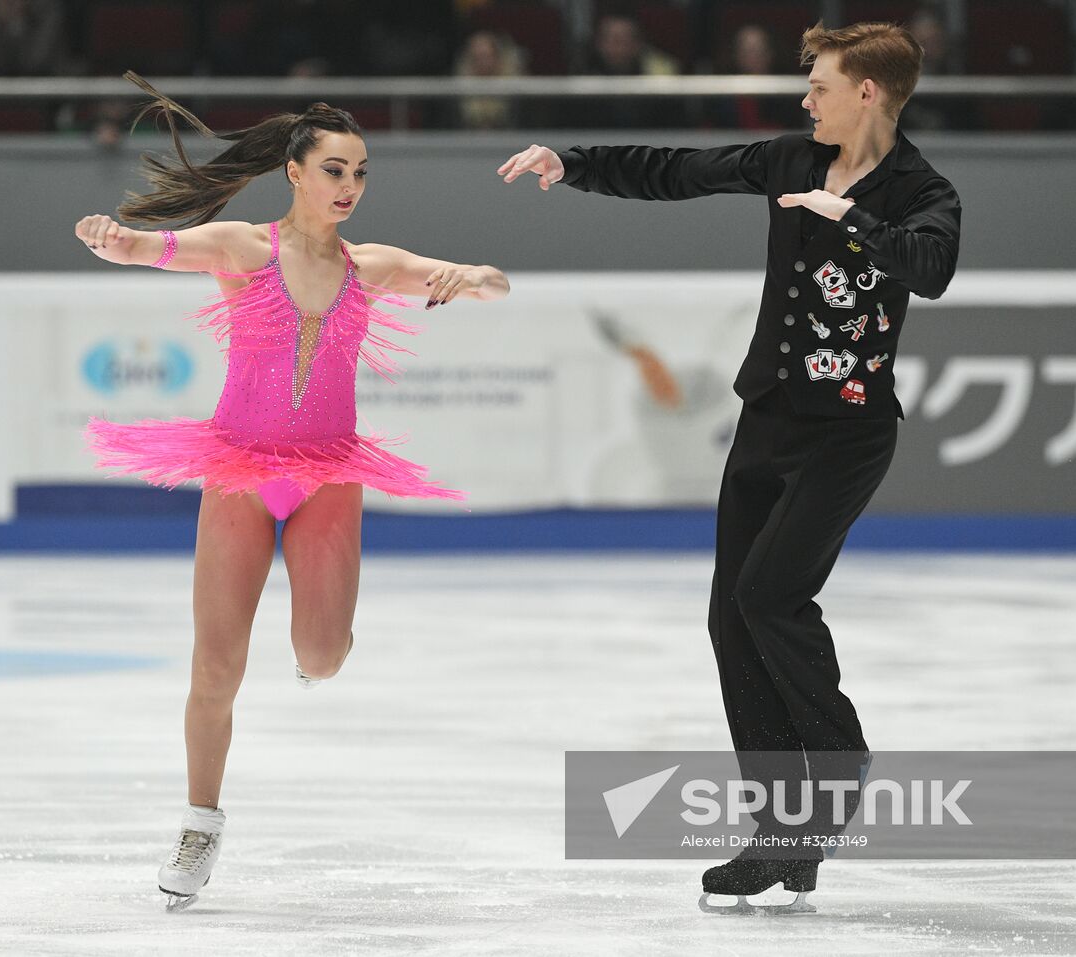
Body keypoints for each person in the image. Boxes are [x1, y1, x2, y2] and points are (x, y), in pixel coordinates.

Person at [499, 20, 960, 912]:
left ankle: (835, 760)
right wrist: (574, 161)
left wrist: (852, 219)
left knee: (770, 595)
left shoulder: (921, 191)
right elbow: (683, 170)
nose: (805, 100)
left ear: (867, 92)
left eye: (819, 86)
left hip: (848, 432)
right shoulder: (792, 159)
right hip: (767, 421)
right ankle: (780, 829)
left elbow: (932, 268)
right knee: (729, 614)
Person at [75, 73, 510, 910]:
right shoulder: (245, 249)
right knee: (217, 663)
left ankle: (319, 660)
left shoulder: (370, 265)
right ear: (296, 173)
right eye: (336, 169)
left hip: (329, 477)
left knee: (321, 652)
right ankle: (201, 821)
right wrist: (113, 239)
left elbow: (471, 278)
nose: (350, 186)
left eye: (361, 172)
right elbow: (159, 248)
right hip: (239, 470)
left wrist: (478, 276)